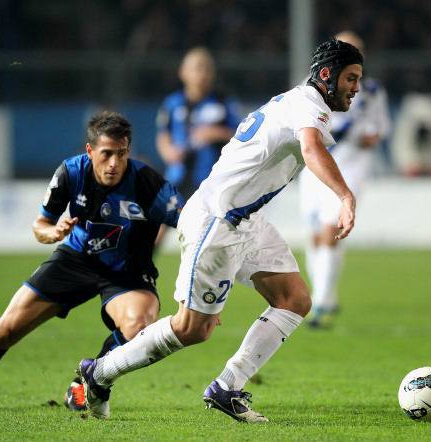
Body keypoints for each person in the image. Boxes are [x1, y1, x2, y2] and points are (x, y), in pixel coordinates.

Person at [76, 39, 363, 422]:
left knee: (294, 299)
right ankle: (100, 372)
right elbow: (311, 150)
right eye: (351, 78)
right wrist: (345, 195)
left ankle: (228, 386)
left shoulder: (297, 101)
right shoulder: (309, 106)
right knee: (193, 328)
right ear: (326, 75)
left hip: (246, 220)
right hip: (218, 221)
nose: (356, 87)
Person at [0, 111, 183, 411]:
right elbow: (40, 225)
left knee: (138, 324)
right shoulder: (71, 173)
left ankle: (86, 380)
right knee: (6, 328)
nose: (114, 163)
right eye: (107, 153)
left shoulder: (147, 182)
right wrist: (53, 232)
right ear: (90, 150)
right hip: (76, 260)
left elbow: (190, 225)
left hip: (128, 270)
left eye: (121, 154)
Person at [299, 32, 390, 328]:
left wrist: (369, 136)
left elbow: (380, 128)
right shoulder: (311, 86)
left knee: (330, 231)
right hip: (315, 166)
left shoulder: (371, 91)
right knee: (315, 236)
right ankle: (327, 296)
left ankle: (320, 303)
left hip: (351, 167)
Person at [156, 47, 241, 198]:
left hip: (211, 182)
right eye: (197, 68)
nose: (202, 74)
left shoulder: (223, 102)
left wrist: (217, 133)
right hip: (177, 180)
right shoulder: (172, 103)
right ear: (183, 72)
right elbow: (163, 134)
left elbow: (241, 135)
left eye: (207, 69)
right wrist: (168, 152)